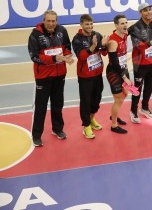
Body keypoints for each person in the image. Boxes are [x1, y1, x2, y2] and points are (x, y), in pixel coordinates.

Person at [28, 10, 74, 147]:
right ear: (43, 20)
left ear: (56, 21)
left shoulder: (62, 31)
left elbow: (67, 47)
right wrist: (53, 58)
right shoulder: (35, 34)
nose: (51, 23)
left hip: (60, 74)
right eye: (48, 21)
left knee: (58, 104)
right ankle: (36, 135)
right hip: (43, 77)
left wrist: (67, 56)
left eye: (53, 21)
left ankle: (57, 129)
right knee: (41, 107)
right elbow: (34, 56)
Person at [72, 14, 108, 139]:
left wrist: (104, 45)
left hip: (98, 74)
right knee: (86, 101)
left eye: (91, 24)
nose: (90, 26)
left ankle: (92, 118)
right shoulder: (77, 39)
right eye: (87, 24)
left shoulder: (97, 35)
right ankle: (86, 125)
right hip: (85, 76)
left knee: (96, 99)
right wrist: (93, 46)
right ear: (81, 25)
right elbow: (81, 57)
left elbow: (104, 53)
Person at [127, 3, 152, 123]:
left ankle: (144, 107)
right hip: (140, 63)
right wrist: (150, 43)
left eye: (150, 10)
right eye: (145, 10)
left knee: (150, 86)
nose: (148, 12)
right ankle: (133, 111)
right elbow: (137, 45)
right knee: (137, 88)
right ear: (140, 13)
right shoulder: (135, 27)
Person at [106, 14, 132, 134]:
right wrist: (124, 77)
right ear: (116, 25)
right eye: (122, 23)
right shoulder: (113, 41)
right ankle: (114, 124)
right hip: (114, 72)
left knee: (125, 93)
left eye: (126, 22)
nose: (125, 25)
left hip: (123, 68)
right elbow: (114, 62)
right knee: (119, 98)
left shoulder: (125, 35)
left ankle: (114, 115)